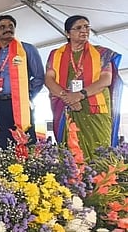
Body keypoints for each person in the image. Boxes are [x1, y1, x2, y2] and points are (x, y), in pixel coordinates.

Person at [45, 15, 122, 156]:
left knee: (100, 150)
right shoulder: (56, 54)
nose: (84, 30)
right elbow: (49, 79)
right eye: (78, 28)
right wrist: (68, 98)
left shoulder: (102, 53)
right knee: (71, 152)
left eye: (87, 27)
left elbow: (106, 80)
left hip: (95, 106)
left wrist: (80, 95)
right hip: (67, 105)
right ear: (67, 33)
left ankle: (101, 172)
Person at [0, 15, 44, 148]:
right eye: (2, 27)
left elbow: (39, 77)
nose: (8, 29)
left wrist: (27, 95)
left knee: (26, 141)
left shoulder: (27, 49)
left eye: (11, 26)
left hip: (21, 104)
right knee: (3, 142)